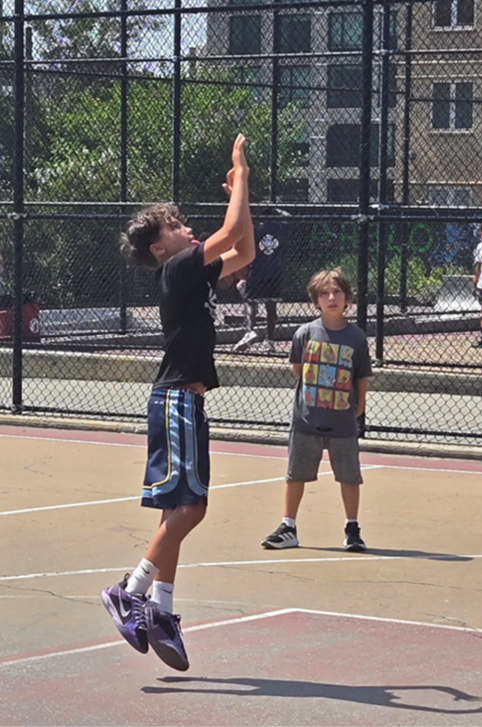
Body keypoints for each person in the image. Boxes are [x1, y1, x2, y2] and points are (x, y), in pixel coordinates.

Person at [101, 134, 254, 671]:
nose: (186, 228)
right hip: (175, 399)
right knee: (192, 508)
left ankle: (161, 610)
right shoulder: (176, 269)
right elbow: (228, 233)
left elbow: (244, 250)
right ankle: (130, 591)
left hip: (186, 403)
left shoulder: (189, 272)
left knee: (178, 510)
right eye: (176, 226)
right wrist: (241, 173)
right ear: (160, 249)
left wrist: (242, 197)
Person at [260, 266, 372, 553]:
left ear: (347, 298)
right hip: (306, 421)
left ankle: (352, 528)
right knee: (295, 474)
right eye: (324, 293)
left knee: (349, 476)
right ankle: (288, 527)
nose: (331, 298)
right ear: (315, 300)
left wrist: (359, 409)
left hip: (342, 422)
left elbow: (361, 377)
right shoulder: (305, 333)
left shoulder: (356, 337)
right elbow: (299, 369)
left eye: (337, 292)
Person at [233, 207, 290, 354]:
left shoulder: (255, 229)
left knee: (250, 302)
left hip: (257, 271)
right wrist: (276, 208)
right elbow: (288, 216)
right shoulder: (280, 228)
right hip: (275, 272)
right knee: (271, 306)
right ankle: (269, 340)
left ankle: (250, 331)